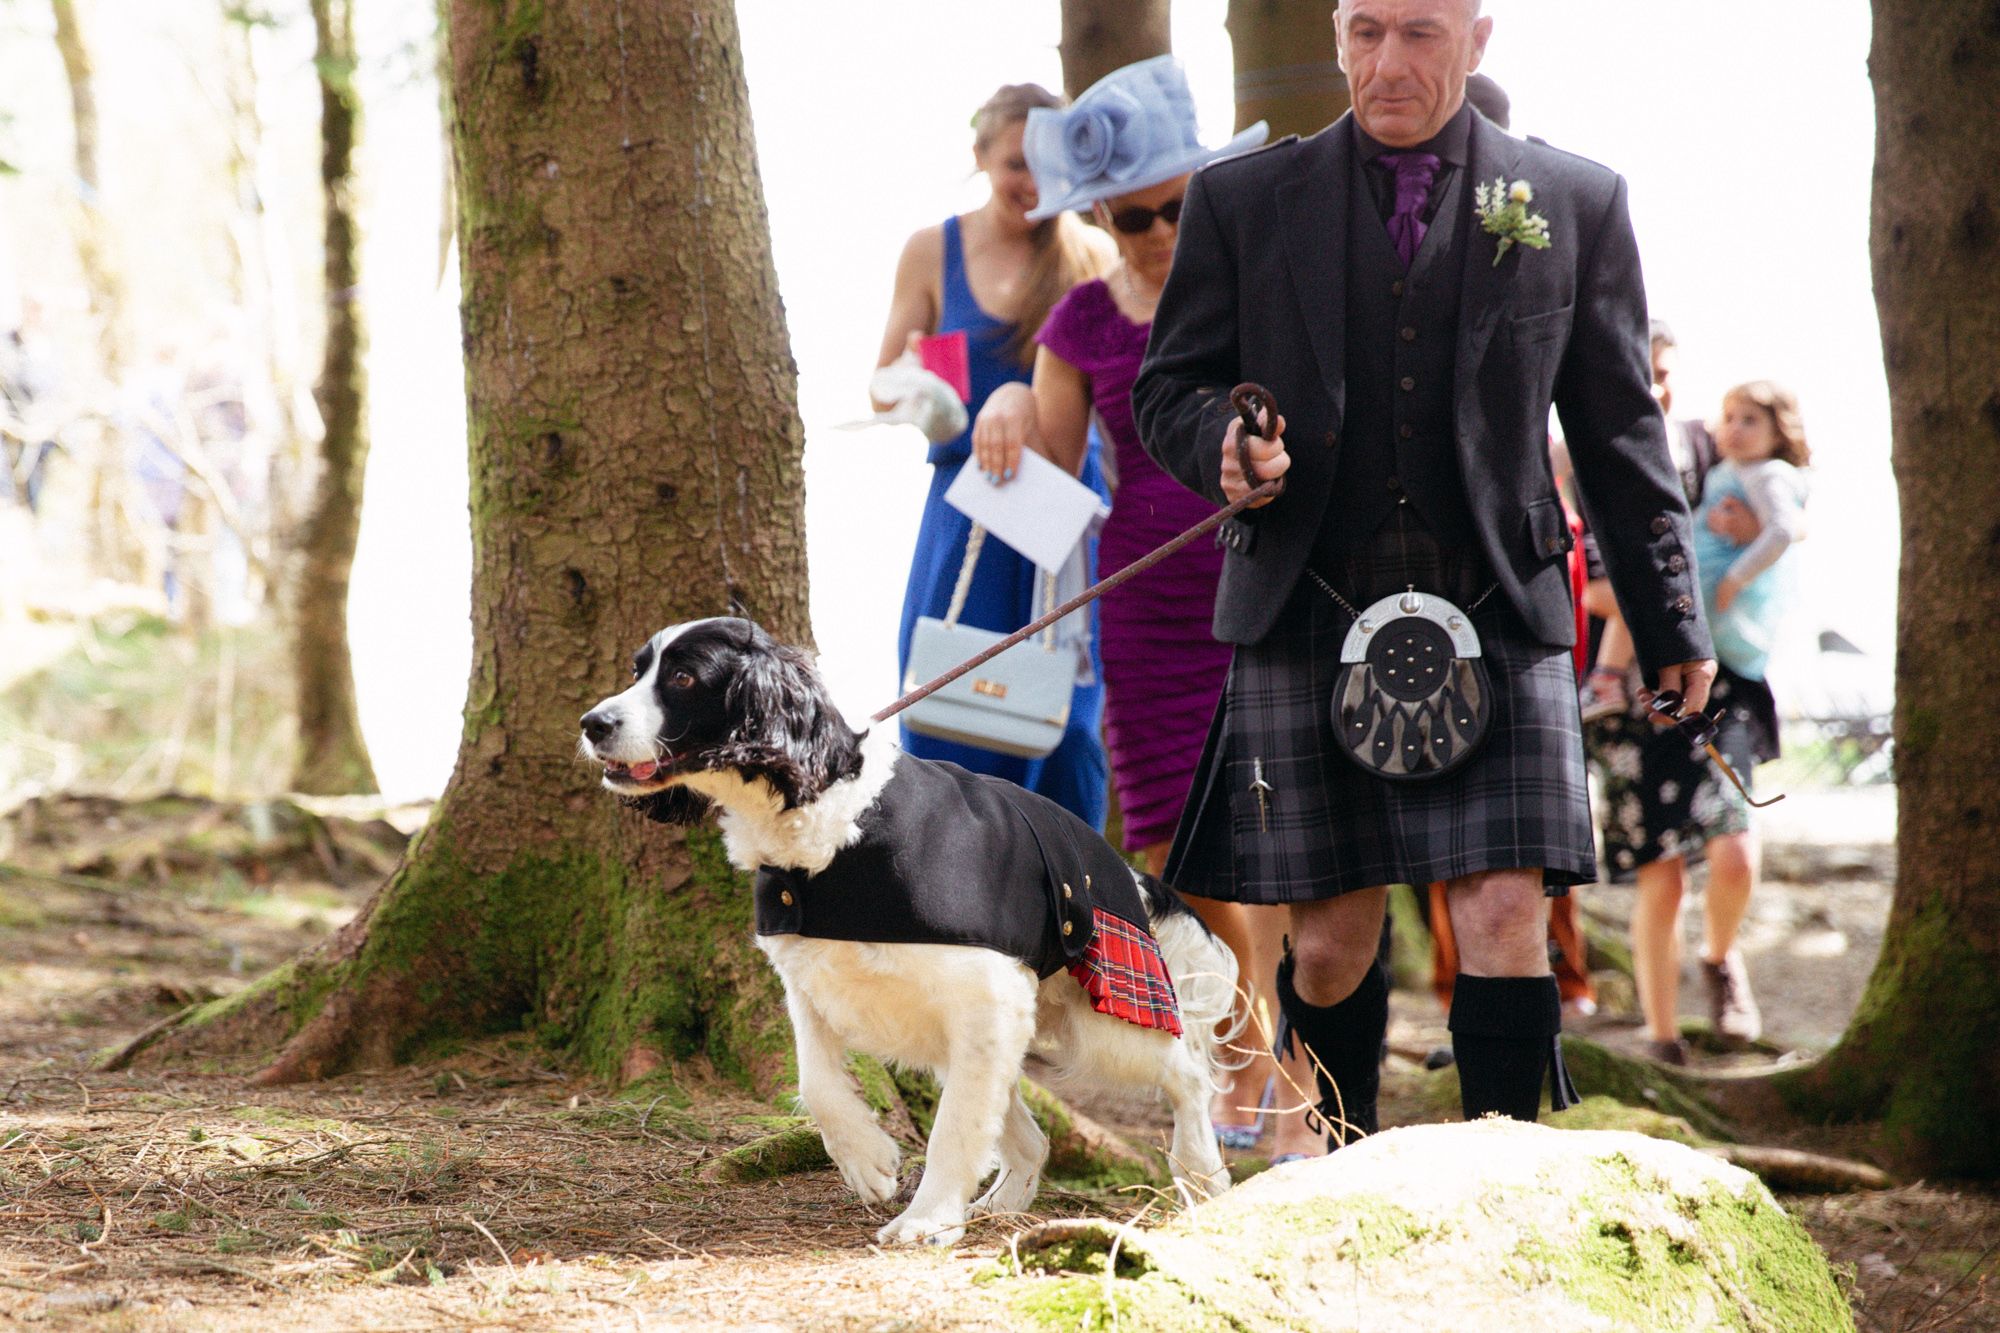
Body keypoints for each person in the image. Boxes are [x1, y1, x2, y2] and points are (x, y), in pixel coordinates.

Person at [1134, 0, 1716, 1141]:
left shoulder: (1573, 199)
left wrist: (1670, 619)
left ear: (1478, 38)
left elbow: (1616, 433)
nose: (1386, 63)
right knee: (1333, 934)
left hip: (1496, 591)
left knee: (1503, 909)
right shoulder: (1240, 200)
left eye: (1419, 33)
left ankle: (1503, 1183)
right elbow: (1171, 388)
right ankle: (1344, 1162)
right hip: (1311, 589)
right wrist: (1223, 446)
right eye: (1364, 32)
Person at [968, 58, 1317, 1161]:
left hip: (1263, 586)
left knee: (1271, 842)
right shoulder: (1077, 318)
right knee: (1174, 849)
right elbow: (1058, 480)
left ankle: (1278, 1070)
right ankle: (1236, 1057)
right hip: (1143, 607)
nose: (1154, 233)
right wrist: (1013, 398)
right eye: (1128, 218)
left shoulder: (1261, 288)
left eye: (1172, 209)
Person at [870, 84, 1115, 827]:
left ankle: (1073, 900)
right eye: (1016, 162)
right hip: (965, 509)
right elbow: (882, 385)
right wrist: (918, 389)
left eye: (1048, 162)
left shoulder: (1093, 254)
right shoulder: (930, 250)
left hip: (1060, 512)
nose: (1033, 182)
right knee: (951, 711)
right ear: (980, 156)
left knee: (1067, 729)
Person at [1591, 382, 1808, 1063]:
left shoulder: (1715, 458)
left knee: (1734, 849)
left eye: (1665, 371)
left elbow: (1789, 513)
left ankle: (1720, 958)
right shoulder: (1599, 454)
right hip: (1638, 693)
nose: (1654, 384)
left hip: (1725, 681)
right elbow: (1594, 585)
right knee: (1662, 875)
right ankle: (1661, 1035)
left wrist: (1743, 553)